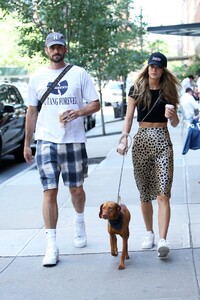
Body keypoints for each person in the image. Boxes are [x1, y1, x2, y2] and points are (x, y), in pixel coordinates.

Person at [24, 32, 100, 266]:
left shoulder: (79, 74)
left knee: (76, 190)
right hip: (46, 141)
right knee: (49, 192)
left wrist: (78, 112)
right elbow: (32, 111)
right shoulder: (36, 78)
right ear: (46, 50)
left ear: (65, 49)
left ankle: (79, 221)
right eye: (52, 47)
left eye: (60, 47)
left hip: (74, 140)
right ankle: (52, 245)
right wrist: (28, 143)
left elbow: (95, 104)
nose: (56, 51)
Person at [117, 52, 180, 258]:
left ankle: (163, 239)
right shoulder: (136, 89)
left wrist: (174, 116)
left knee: (163, 193)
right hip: (141, 140)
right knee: (144, 193)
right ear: (148, 67)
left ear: (163, 70)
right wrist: (124, 137)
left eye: (158, 67)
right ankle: (149, 233)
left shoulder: (169, 90)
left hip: (163, 139)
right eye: (151, 65)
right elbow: (128, 117)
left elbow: (176, 123)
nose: (154, 69)